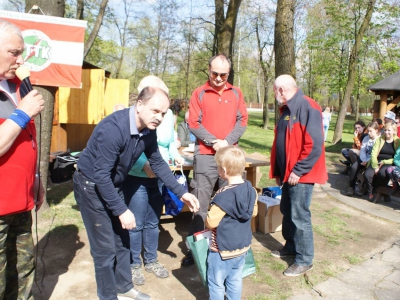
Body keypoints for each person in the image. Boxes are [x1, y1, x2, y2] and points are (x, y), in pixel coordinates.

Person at [73, 86, 199, 300]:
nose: (159, 117)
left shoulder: (148, 130)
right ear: (139, 104)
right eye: (155, 111)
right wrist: (122, 210)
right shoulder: (113, 129)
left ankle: (124, 287)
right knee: (105, 250)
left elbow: (157, 163)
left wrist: (181, 193)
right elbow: (101, 175)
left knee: (123, 241)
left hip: (113, 185)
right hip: (92, 186)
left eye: (163, 113)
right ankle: (108, 296)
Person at [182, 54, 248, 267]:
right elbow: (193, 123)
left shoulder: (236, 93)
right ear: (208, 71)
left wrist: (227, 142)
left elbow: (243, 121)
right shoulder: (199, 93)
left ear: (228, 74)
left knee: (231, 203)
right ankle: (196, 249)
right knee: (200, 206)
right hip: (205, 156)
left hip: (230, 157)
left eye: (223, 75)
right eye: (214, 74)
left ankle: (230, 247)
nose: (219, 78)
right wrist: (214, 141)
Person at [0, 20, 45, 299]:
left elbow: (27, 140)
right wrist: (22, 114)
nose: (20, 60)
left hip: (21, 201)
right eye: (14, 52)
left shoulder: (17, 85)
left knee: (23, 271)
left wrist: (37, 178)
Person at [123, 77, 183, 286]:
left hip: (159, 175)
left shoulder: (167, 117)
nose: (160, 112)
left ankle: (151, 260)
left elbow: (168, 143)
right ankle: (133, 264)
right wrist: (143, 165)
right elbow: (132, 147)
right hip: (137, 177)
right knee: (136, 223)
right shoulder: (135, 117)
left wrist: (175, 154)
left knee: (153, 221)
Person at [269, 74, 327, 277]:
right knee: (287, 210)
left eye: (275, 91)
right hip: (287, 174)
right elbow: (282, 142)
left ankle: (304, 260)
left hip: (301, 174)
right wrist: (278, 170)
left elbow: (315, 144)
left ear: (281, 90)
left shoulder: (308, 106)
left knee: (299, 215)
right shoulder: (287, 110)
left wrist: (298, 170)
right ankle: (291, 247)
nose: (275, 95)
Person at [205, 146, 257, 299]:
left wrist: (206, 216)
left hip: (222, 250)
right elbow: (253, 212)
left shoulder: (222, 196)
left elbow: (211, 222)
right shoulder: (251, 189)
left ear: (224, 171)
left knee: (216, 282)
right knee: (235, 279)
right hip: (242, 247)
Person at [363, 121, 399, 202]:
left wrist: (385, 162)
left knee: (382, 174)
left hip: (389, 162)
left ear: (394, 131)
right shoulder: (380, 139)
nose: (386, 132)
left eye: (389, 130)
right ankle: (370, 192)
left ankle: (377, 190)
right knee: (367, 174)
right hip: (377, 160)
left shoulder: (397, 142)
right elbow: (373, 154)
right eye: (385, 130)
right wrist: (375, 166)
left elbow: (397, 157)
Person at [346, 122, 380, 196]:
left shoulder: (379, 140)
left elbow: (376, 154)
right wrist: (363, 160)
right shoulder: (366, 138)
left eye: (371, 131)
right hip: (364, 159)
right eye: (368, 131)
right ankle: (351, 187)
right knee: (354, 167)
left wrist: (367, 161)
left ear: (376, 130)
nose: (369, 133)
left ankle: (364, 187)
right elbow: (363, 150)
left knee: (367, 172)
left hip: (373, 160)